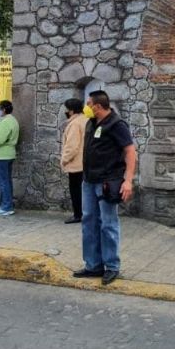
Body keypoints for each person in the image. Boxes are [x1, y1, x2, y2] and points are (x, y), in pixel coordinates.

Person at [73, 90, 137, 286]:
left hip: (107, 182)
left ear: (97, 106)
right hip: (89, 181)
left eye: (88, 103)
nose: (86, 106)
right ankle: (93, 265)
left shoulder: (116, 125)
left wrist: (128, 180)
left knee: (108, 224)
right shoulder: (92, 123)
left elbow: (130, 151)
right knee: (89, 221)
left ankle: (111, 266)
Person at [0, 100, 20, 216]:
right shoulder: (12, 120)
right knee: (6, 181)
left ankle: (6, 207)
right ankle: (5, 205)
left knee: (3, 181)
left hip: (2, 155)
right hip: (8, 154)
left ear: (4, 110)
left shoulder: (6, 122)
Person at [60, 98, 87, 224]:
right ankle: (85, 213)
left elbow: (72, 146)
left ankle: (78, 214)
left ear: (71, 111)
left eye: (67, 109)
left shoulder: (75, 124)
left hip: (76, 163)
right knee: (84, 190)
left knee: (75, 190)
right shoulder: (85, 120)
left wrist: (64, 160)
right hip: (86, 161)